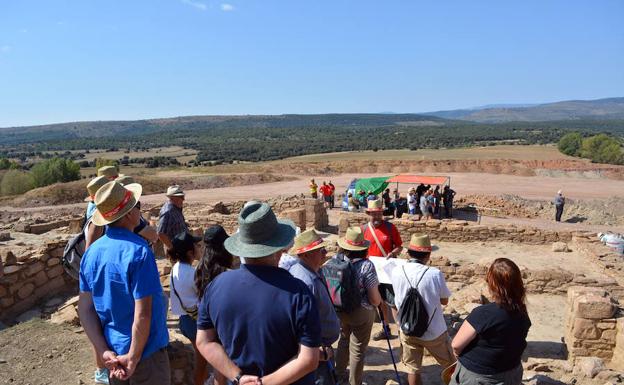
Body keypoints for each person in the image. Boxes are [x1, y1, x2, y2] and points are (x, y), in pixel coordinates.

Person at [196, 202, 321, 385]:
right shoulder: (298, 293)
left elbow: (204, 342)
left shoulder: (216, 286)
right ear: (279, 248)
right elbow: (309, 359)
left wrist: (238, 377)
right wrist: (263, 383)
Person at [78, 181, 169, 385]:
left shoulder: (91, 253)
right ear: (129, 214)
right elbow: (143, 313)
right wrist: (133, 358)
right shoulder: (138, 252)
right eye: (137, 206)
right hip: (146, 353)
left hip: (113, 353)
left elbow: (84, 308)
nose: (140, 211)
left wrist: (103, 351)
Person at [450, 258, 531, 385]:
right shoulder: (521, 311)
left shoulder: (483, 313)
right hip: (510, 371)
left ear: (492, 285)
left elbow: (456, 345)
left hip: (479, 375)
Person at [391, 234, 454, 385]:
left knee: (412, 368)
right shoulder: (434, 274)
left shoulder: (396, 271)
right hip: (434, 331)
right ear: (428, 255)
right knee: (451, 365)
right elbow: (444, 301)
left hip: (407, 328)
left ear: (408, 252)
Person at [288, 229, 341, 385]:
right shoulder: (306, 282)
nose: (325, 253)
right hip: (317, 351)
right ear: (305, 255)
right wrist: (318, 352)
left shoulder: (310, 272)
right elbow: (301, 324)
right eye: (320, 250)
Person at [334, 227, 382, 385]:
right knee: (358, 349)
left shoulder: (336, 260)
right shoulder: (367, 266)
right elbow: (374, 299)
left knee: (344, 340)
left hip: (340, 310)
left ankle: (338, 374)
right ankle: (355, 382)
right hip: (361, 312)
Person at [168, 231, 208, 385]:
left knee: (200, 356)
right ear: (190, 253)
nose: (200, 248)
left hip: (185, 320)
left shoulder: (175, 269)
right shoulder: (193, 273)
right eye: (197, 246)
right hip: (195, 322)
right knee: (202, 360)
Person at [195, 225, 233, 385]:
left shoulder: (200, 269)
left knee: (218, 365)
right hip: (226, 322)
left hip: (209, 319)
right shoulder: (225, 273)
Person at [361, 199, 403, 341]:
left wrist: (393, 253)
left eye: (379, 214)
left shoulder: (390, 228)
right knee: (379, 302)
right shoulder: (364, 229)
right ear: (369, 214)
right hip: (370, 272)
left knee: (393, 302)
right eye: (374, 214)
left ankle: (401, 331)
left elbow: (399, 246)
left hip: (387, 271)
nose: (377, 217)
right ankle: (385, 328)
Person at [157, 185, 188, 253]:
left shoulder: (176, 207)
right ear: (172, 198)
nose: (183, 199)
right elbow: (161, 233)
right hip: (175, 249)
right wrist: (172, 248)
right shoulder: (168, 212)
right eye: (181, 197)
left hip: (181, 246)